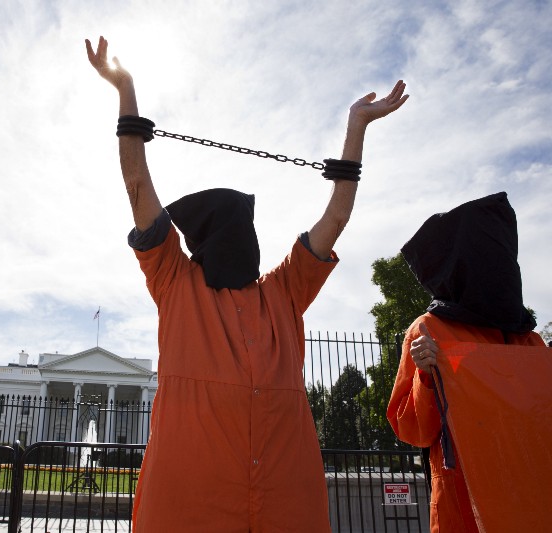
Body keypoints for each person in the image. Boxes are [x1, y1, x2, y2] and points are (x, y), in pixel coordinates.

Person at [85, 35, 408, 531]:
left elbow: (337, 216)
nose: (246, 239)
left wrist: (356, 127)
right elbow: (137, 187)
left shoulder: (284, 291)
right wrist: (125, 91)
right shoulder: (175, 281)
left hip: (284, 501)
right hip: (190, 506)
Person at [387, 192, 546, 532]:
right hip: (462, 505)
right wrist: (425, 379)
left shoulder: (530, 340)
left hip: (531, 500)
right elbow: (412, 430)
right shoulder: (428, 330)